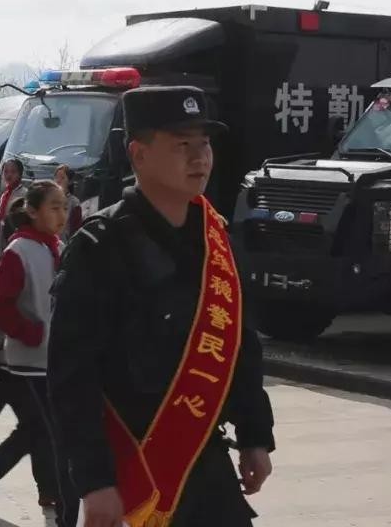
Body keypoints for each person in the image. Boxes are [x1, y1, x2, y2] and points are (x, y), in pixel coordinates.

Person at [48, 86, 274, 527]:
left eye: (204, 143)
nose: (200, 157)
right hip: (133, 470)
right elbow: (71, 376)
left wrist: (254, 435)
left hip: (204, 460)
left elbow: (239, 345)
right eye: (182, 144)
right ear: (139, 154)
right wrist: (94, 482)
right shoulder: (100, 246)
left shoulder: (215, 239)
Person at [0, 181, 68, 526]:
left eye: (64, 207)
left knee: (35, 432)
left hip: (50, 358)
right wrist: (31, 333)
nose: (62, 215)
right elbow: (0, 306)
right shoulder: (19, 251)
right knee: (42, 431)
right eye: (54, 207)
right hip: (26, 361)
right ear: (32, 211)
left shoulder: (58, 247)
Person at [0, 159, 26, 258]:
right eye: (6, 171)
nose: (9, 175)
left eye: (13, 171)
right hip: (0, 243)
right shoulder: (3, 193)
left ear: (20, 174)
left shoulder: (23, 194)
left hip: (15, 245)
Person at [53, 164, 83, 242]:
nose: (58, 180)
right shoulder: (47, 199)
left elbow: (76, 230)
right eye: (56, 177)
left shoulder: (74, 203)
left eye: (62, 178)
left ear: (70, 181)